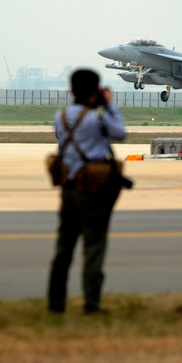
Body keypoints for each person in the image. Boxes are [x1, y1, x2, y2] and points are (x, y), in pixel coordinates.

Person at [47, 69, 126, 314]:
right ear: (95, 90)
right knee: (94, 248)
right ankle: (91, 303)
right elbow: (120, 133)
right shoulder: (98, 117)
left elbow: (63, 140)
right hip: (93, 191)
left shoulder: (60, 116)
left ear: (71, 90)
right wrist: (108, 106)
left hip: (68, 189)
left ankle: (56, 303)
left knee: (63, 250)